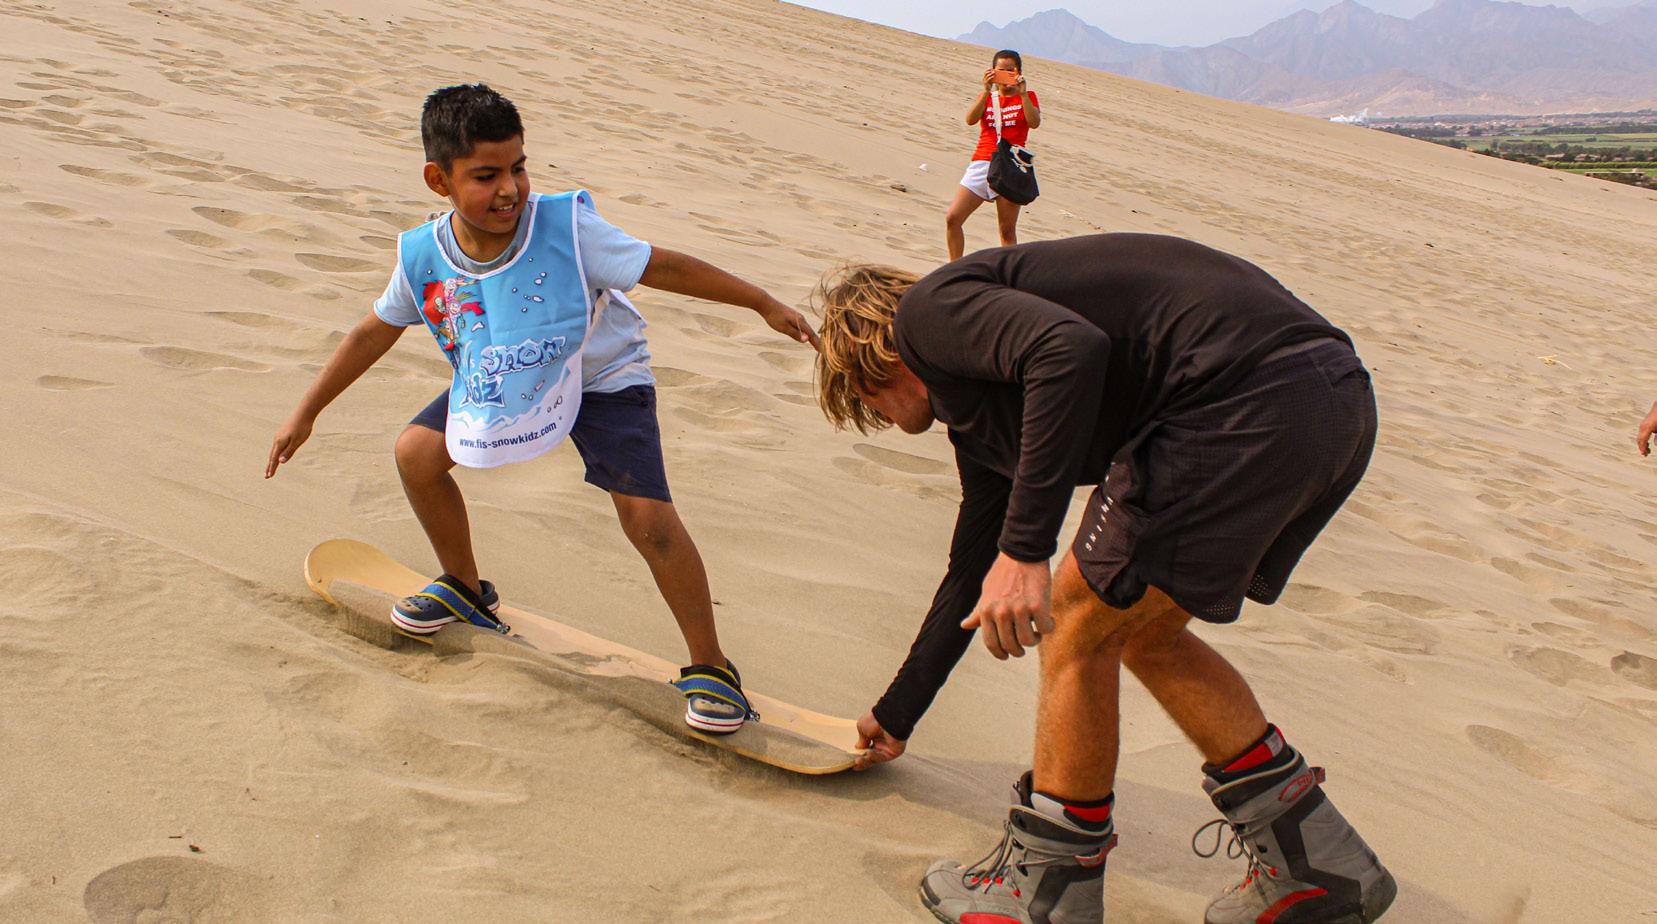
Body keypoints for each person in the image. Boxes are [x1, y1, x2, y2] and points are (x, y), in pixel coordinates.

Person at [812, 236, 1397, 924]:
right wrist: (895, 715)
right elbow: (970, 574)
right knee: (1139, 629)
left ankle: (1047, 892)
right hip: (1329, 400)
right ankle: (1318, 866)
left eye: (859, 394)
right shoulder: (985, 414)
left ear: (871, 357)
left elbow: (1070, 348)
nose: (873, 414)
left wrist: (1027, 551)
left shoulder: (927, 314)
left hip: (1240, 398)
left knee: (1076, 623)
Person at [267, 84, 816, 736]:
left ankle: (712, 667)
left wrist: (760, 302)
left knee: (648, 519)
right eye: (486, 176)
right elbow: (372, 332)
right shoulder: (423, 255)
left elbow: (662, 267)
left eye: (519, 167)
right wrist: (306, 413)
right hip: (510, 376)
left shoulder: (565, 228)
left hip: (603, 376)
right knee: (416, 454)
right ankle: (465, 588)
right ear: (438, 180)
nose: (510, 190)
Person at [945, 49, 1041, 261]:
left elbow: (1034, 122)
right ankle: (954, 267)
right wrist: (986, 90)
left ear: (1019, 72)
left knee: (1007, 231)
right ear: (992, 71)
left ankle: (1009, 274)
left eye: (1010, 70)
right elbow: (970, 119)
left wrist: (1023, 94)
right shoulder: (987, 97)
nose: (1005, 75)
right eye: (1001, 71)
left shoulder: (1028, 96)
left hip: (1010, 166)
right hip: (982, 162)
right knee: (953, 218)